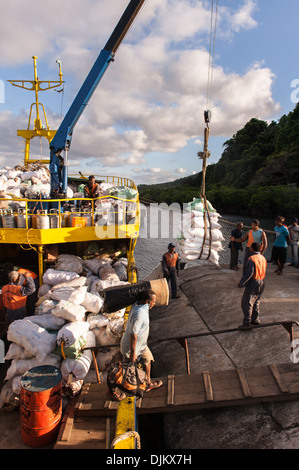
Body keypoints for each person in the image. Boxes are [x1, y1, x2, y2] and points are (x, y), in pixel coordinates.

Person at [120, 290, 162, 399]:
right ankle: (117, 390)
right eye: (153, 301)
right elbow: (133, 335)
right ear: (147, 301)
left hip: (142, 345)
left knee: (148, 360)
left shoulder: (140, 305)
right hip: (131, 348)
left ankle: (148, 382)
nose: (154, 303)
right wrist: (133, 354)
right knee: (125, 370)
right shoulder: (140, 314)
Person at [237, 242, 267, 329]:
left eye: (250, 248)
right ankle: (255, 320)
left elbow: (248, 274)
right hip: (262, 281)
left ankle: (247, 323)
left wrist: (241, 283)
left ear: (252, 249)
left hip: (254, 282)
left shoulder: (252, 258)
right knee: (256, 301)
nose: (250, 249)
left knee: (247, 303)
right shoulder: (263, 258)